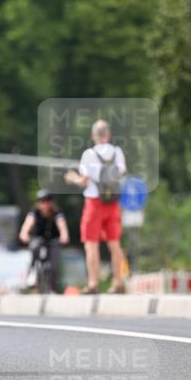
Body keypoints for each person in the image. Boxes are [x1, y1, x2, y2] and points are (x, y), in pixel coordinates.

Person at [65, 119, 126, 293]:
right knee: (115, 244)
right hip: (113, 202)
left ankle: (93, 283)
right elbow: (120, 173)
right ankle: (118, 282)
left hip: (94, 202)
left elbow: (84, 181)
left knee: (91, 244)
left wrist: (72, 178)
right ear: (109, 134)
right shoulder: (118, 153)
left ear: (93, 136)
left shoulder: (89, 154)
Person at [18, 190, 69, 292]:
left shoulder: (56, 213)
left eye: (47, 201)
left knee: (54, 264)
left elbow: (62, 225)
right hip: (38, 238)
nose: (44, 204)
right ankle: (32, 271)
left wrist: (64, 235)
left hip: (53, 239)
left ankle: (52, 287)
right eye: (42, 201)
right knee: (34, 247)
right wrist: (24, 234)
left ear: (51, 202)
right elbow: (27, 224)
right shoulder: (34, 212)